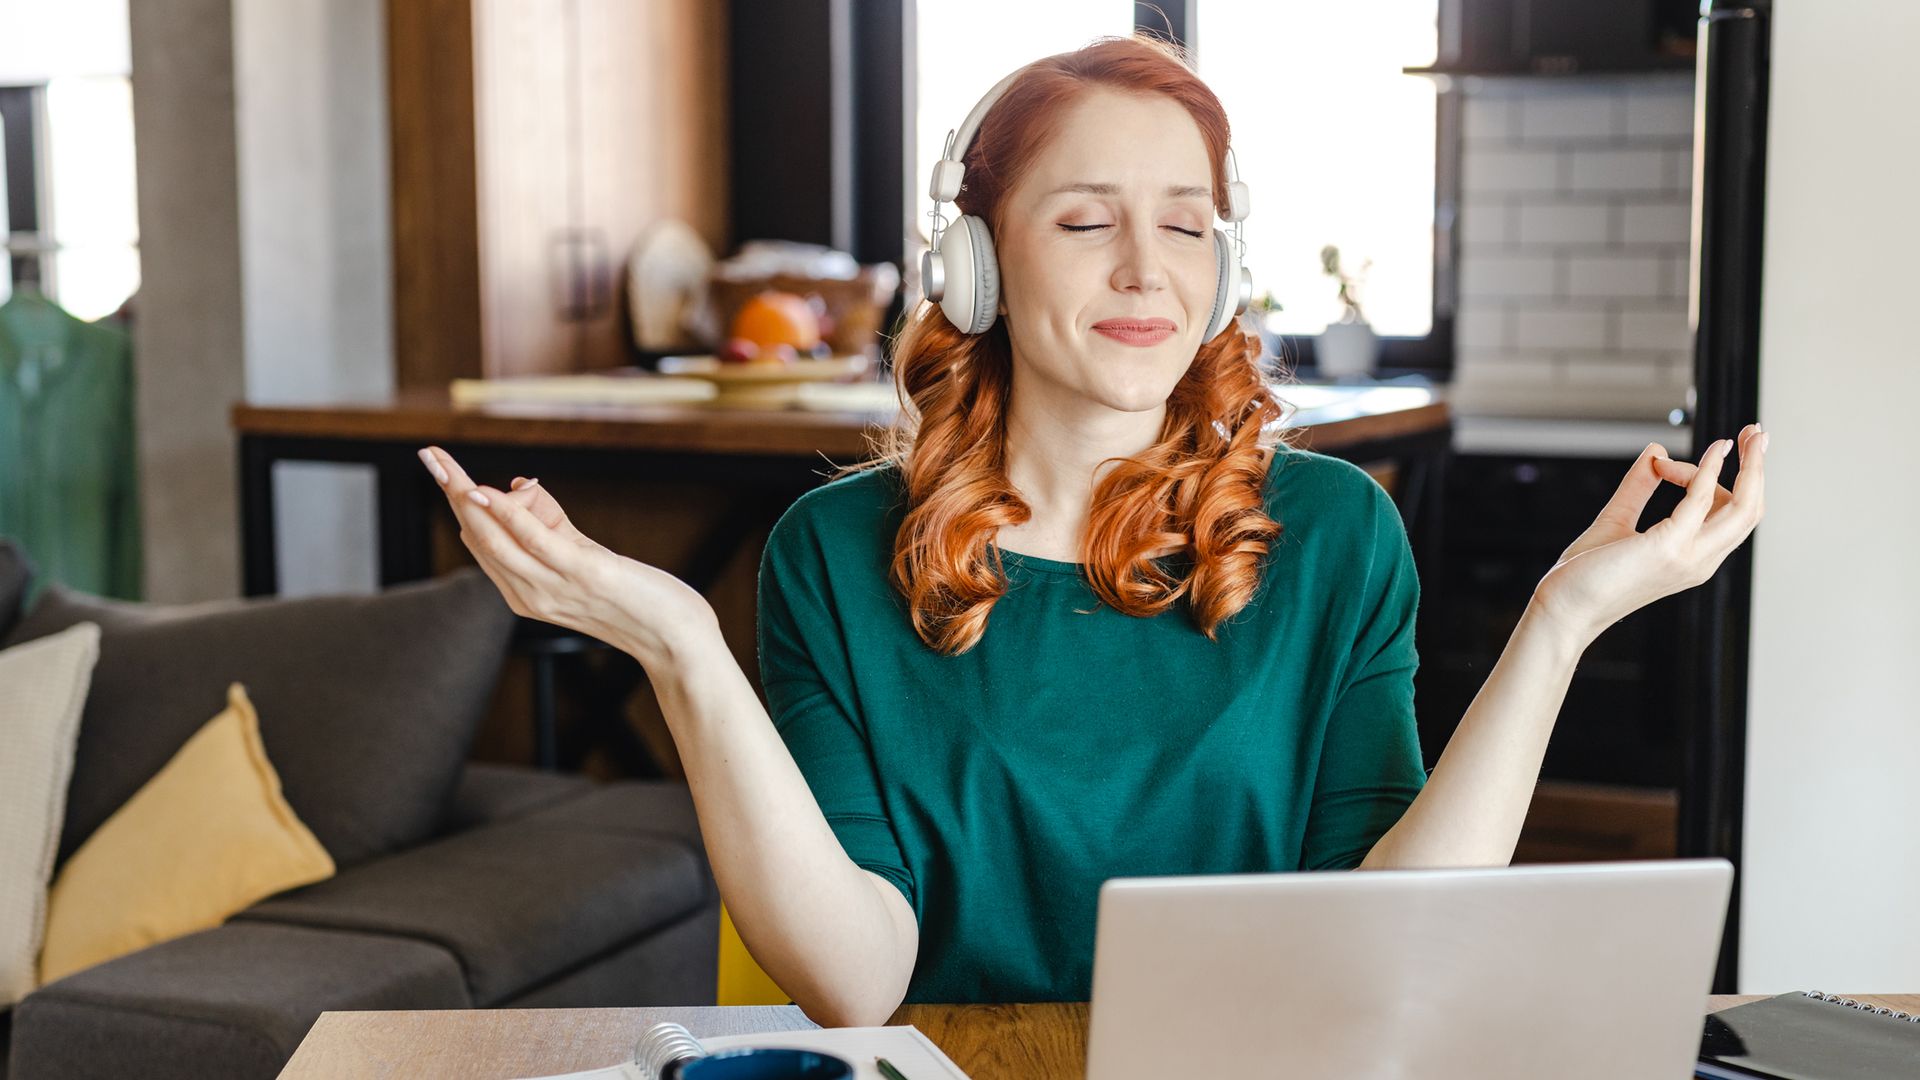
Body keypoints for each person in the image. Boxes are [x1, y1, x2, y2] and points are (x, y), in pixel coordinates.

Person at [415, 35, 1766, 1027]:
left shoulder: (1337, 533)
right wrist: (682, 652)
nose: (1145, 269)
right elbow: (856, 977)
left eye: (1186, 227)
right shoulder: (831, 555)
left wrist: (1562, 622)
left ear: (1223, 272)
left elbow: (1393, 930)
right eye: (1084, 221)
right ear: (978, 267)